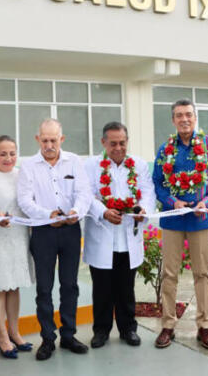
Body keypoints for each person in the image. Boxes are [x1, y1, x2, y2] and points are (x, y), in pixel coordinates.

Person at [152, 99, 208, 349]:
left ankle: (204, 326)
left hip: (201, 218)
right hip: (173, 219)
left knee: (202, 273)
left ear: (195, 118)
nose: (184, 119)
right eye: (178, 115)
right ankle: (168, 325)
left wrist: (206, 201)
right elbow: (158, 183)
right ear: (173, 120)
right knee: (169, 273)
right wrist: (173, 202)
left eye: (188, 114)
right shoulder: (165, 149)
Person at [17, 118, 93, 361]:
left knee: (70, 285)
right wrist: (47, 216)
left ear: (62, 139)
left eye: (54, 140)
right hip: (43, 231)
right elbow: (25, 200)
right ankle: (48, 339)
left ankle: (68, 335)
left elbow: (84, 193)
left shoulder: (74, 162)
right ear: (38, 139)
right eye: (45, 140)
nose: (49, 144)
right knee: (44, 288)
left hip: (70, 230)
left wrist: (76, 212)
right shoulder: (29, 166)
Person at [84, 121, 156, 348]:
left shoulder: (139, 165)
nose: (118, 148)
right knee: (102, 288)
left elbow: (148, 193)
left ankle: (128, 329)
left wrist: (143, 210)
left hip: (128, 236)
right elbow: (86, 195)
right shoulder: (91, 166)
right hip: (103, 234)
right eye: (113, 143)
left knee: (126, 288)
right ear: (103, 142)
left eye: (122, 143)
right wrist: (103, 211)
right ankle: (101, 331)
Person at [0, 135, 34, 359]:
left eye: (12, 153)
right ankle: (2, 336)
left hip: (18, 235)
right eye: (3, 153)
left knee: (14, 285)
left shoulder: (21, 174)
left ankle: (15, 332)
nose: (8, 158)